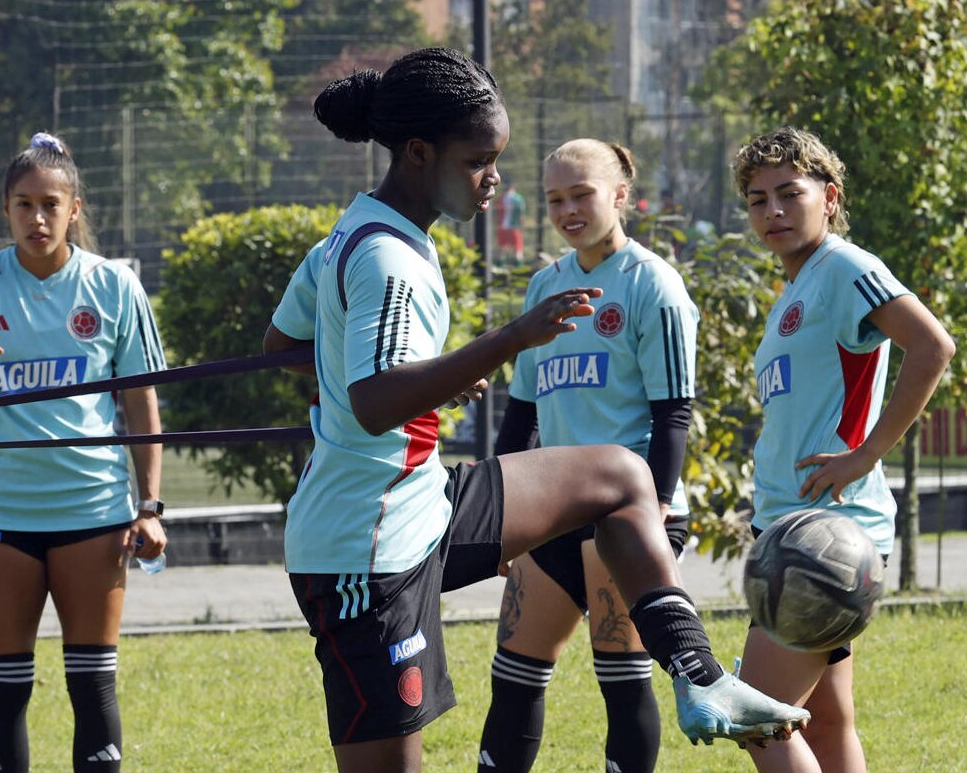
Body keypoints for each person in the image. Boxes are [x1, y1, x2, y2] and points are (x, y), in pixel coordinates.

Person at [261, 47, 809, 773]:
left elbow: (286, 346)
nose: (495, 180)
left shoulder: (351, 235)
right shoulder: (388, 258)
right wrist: (508, 339)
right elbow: (369, 402)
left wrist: (424, 379)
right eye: (479, 160)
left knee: (616, 476)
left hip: (418, 499)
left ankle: (700, 677)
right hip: (363, 548)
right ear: (420, 154)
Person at [0, 132, 167, 773]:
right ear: (5, 209)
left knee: (92, 686)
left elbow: (141, 402)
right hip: (0, 513)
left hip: (94, 512)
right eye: (24, 204)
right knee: (3, 692)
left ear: (75, 209)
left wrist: (150, 506)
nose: (38, 217)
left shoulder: (114, 286)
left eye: (50, 204)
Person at [732, 127, 954, 773]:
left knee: (755, 714)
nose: (771, 210)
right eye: (755, 199)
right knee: (824, 723)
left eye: (788, 193)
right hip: (790, 526)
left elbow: (931, 346)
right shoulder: (795, 289)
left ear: (828, 197)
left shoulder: (844, 266)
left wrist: (864, 453)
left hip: (828, 535)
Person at [474, 138, 698, 773]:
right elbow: (521, 414)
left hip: (626, 519)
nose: (568, 209)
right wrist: (498, 521)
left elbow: (672, 413)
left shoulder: (652, 283)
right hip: (551, 513)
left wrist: (649, 513)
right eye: (554, 199)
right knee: (514, 675)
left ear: (620, 197)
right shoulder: (545, 286)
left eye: (582, 195)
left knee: (621, 680)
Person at [499, 182, 526, 263]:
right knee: (518, 247)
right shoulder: (518, 199)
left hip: (503, 226)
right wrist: (522, 226)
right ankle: (519, 265)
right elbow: (521, 214)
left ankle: (501, 264)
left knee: (503, 247)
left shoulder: (501, 199)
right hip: (515, 226)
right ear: (513, 187)